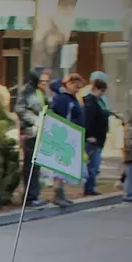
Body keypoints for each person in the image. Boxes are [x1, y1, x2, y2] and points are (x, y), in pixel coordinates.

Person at [49, 72, 85, 207]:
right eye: (76, 87)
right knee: (59, 167)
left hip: (69, 136)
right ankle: (57, 193)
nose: (77, 90)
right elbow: (63, 118)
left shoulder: (70, 98)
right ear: (69, 84)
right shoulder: (63, 99)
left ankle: (61, 193)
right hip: (63, 136)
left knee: (63, 167)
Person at [14, 68, 47, 207]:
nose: (45, 83)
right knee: (30, 165)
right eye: (42, 80)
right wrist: (35, 120)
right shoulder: (27, 91)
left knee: (37, 166)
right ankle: (29, 197)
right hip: (30, 131)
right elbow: (20, 108)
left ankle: (35, 194)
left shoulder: (40, 92)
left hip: (39, 131)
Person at [83, 77, 111, 196]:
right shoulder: (91, 103)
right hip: (93, 138)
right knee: (92, 165)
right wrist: (89, 135)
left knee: (95, 164)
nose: (102, 94)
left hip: (99, 138)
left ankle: (91, 186)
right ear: (95, 89)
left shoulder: (100, 102)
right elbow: (88, 121)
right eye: (101, 91)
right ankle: (89, 188)